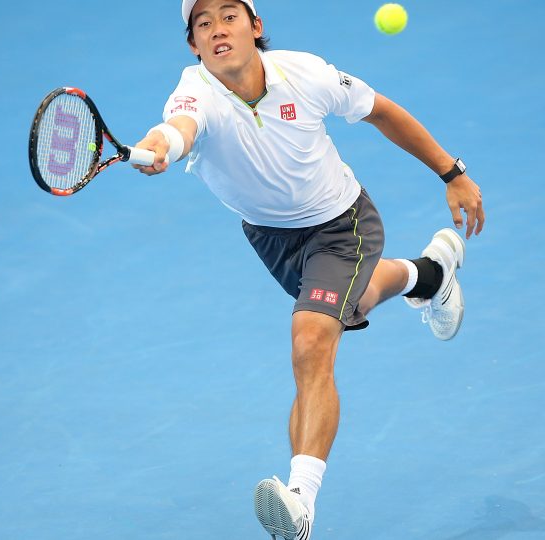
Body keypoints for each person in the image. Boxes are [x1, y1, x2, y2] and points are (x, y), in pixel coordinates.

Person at [131, 1, 485, 538]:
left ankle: (300, 501)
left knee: (311, 340)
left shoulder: (306, 73)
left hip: (343, 223)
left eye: (229, 15)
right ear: (194, 46)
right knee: (356, 303)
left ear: (256, 27)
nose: (217, 28)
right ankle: (431, 274)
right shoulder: (195, 90)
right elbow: (176, 128)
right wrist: (160, 148)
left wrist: (451, 172)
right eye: (203, 23)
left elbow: (382, 111)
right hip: (270, 238)